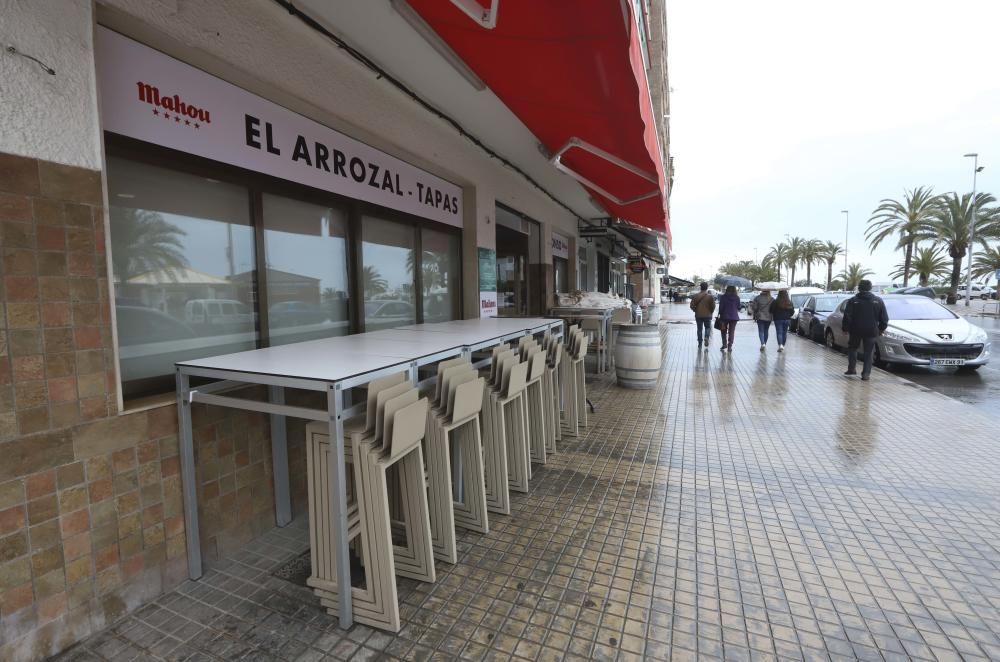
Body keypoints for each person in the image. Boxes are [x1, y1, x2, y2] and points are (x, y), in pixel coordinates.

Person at [841, 279, 889, 380]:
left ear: (859, 288)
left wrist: (845, 328)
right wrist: (880, 329)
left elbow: (847, 316)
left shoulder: (853, 300)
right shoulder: (878, 301)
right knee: (869, 352)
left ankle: (852, 369)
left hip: (855, 330)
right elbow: (884, 318)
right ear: (870, 288)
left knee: (853, 349)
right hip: (871, 331)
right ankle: (866, 374)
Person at [689, 282, 716, 348]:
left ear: (700, 287)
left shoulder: (696, 296)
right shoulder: (710, 296)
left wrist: (695, 310)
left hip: (698, 315)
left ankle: (700, 343)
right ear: (707, 287)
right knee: (707, 327)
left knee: (699, 329)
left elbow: (691, 305)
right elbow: (713, 306)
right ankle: (706, 337)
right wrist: (711, 312)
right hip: (708, 315)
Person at [717, 285, 741, 352]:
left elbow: (721, 308)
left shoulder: (723, 297)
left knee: (723, 330)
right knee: (731, 331)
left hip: (724, 316)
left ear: (727, 289)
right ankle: (730, 345)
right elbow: (739, 307)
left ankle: (724, 344)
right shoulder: (737, 297)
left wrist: (720, 314)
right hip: (734, 317)